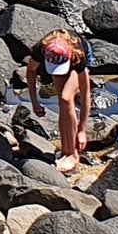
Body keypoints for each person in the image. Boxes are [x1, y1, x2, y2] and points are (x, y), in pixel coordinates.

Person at [27, 29, 92, 174]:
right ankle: (65, 151)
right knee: (62, 102)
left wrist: (82, 130)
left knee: (66, 97)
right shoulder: (41, 49)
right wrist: (34, 101)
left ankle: (73, 155)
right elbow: (31, 71)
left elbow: (86, 93)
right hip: (60, 56)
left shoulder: (78, 56)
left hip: (79, 55)